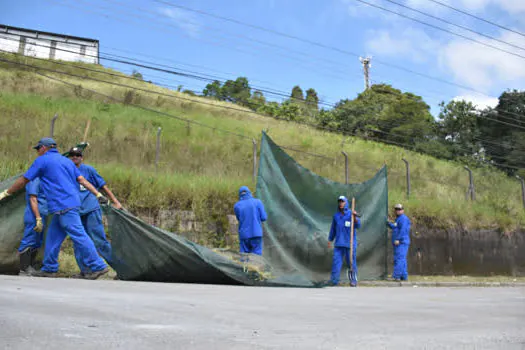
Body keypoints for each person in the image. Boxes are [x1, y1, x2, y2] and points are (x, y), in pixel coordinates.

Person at [0, 137, 109, 279]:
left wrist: (6, 192)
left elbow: (24, 179)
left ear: (44, 148)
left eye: (38, 149)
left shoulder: (42, 160)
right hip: (65, 205)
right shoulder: (67, 162)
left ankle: (97, 266)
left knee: (79, 234)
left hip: (64, 205)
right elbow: (81, 179)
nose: (38, 152)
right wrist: (97, 193)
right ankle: (49, 268)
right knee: (53, 236)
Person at [66, 146, 122, 277]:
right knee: (78, 241)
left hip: (91, 209)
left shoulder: (89, 170)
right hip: (76, 211)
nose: (75, 157)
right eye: (72, 155)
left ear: (82, 158)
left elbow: (103, 186)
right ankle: (86, 271)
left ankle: (121, 269)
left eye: (78, 155)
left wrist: (115, 201)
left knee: (99, 241)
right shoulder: (66, 171)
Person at [328, 196, 361, 287]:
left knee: (351, 262)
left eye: (342, 202)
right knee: (336, 262)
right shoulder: (336, 216)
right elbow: (333, 229)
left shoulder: (351, 214)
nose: (341, 203)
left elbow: (358, 225)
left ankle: (353, 280)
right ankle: (334, 280)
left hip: (349, 244)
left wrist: (355, 217)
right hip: (339, 244)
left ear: (346, 203)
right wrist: (330, 239)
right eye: (339, 202)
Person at [18, 177, 48, 276]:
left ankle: (31, 265)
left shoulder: (46, 179)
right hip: (33, 215)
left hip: (42, 213)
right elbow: (33, 198)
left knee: (37, 241)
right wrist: (38, 218)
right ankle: (24, 268)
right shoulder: (35, 180)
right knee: (29, 239)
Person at [233, 186, 267, 256]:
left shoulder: (237, 206)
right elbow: (264, 217)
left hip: (244, 235)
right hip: (256, 234)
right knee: (256, 257)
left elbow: (239, 218)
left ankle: (244, 267)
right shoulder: (258, 202)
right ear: (249, 192)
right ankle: (255, 266)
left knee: (244, 257)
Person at [387, 203, 411, 281]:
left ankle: (396, 276)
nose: (397, 211)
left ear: (403, 210)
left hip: (401, 242)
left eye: (399, 209)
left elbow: (403, 230)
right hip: (400, 242)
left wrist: (398, 239)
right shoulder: (398, 219)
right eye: (396, 209)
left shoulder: (403, 218)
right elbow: (395, 227)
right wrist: (388, 223)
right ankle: (404, 276)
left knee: (399, 259)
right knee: (402, 259)